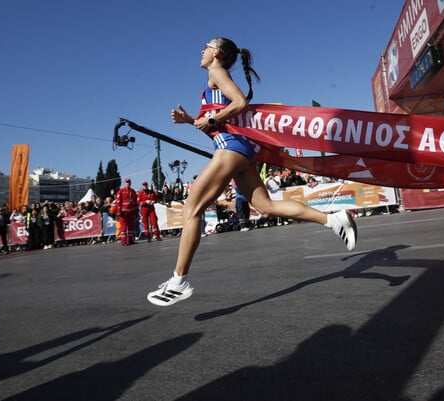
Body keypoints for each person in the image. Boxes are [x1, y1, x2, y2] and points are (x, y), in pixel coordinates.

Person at [147, 37, 357, 307]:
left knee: (192, 209)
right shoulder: (213, 80)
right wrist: (191, 120)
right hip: (241, 150)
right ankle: (333, 220)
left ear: (217, 53)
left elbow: (239, 103)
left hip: (231, 150)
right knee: (266, 207)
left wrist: (212, 119)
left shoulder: (216, 71)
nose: (201, 50)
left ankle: (178, 281)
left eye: (206, 46)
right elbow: (220, 120)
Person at [114, 178, 138, 245]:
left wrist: (136, 210)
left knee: (130, 226)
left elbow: (135, 202)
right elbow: (118, 202)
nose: (128, 183)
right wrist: (119, 212)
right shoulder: (121, 191)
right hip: (123, 212)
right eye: (127, 182)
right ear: (124, 183)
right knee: (123, 227)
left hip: (131, 212)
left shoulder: (133, 191)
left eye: (129, 182)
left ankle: (130, 240)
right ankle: (124, 241)